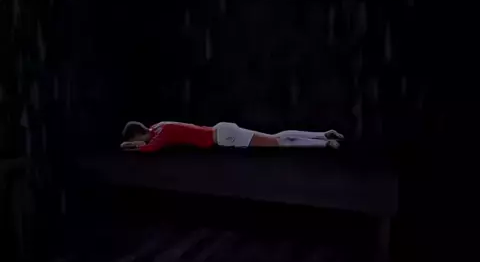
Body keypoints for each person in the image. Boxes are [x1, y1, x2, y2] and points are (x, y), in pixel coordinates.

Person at [120, 121, 343, 152]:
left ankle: (325, 142)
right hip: (223, 131)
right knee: (277, 138)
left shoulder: (161, 134)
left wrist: (130, 146)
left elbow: (151, 148)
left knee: (278, 142)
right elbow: (152, 139)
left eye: (136, 139)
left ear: (138, 134)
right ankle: (323, 136)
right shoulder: (159, 126)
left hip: (225, 137)